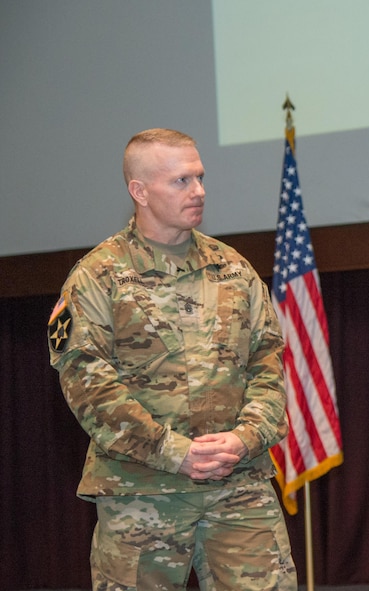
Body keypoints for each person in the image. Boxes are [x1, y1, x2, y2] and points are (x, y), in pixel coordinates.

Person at [47, 128, 297, 590]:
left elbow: (267, 362)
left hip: (237, 487)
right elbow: (88, 383)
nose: (198, 191)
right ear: (139, 191)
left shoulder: (234, 269)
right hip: (142, 494)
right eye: (181, 181)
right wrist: (173, 451)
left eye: (200, 178)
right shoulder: (97, 277)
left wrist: (247, 436)